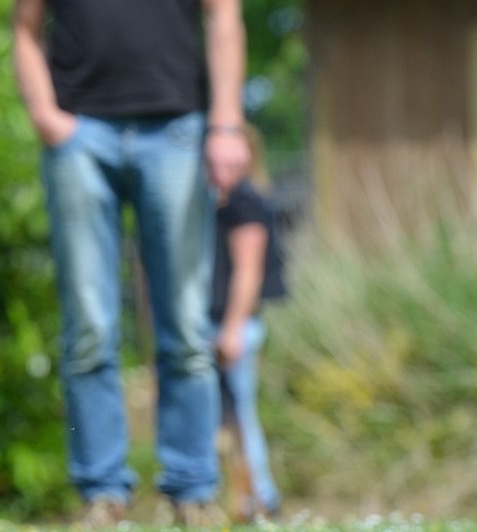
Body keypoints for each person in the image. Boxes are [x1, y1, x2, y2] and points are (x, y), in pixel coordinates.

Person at [12, 0, 252, 526]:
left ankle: (193, 491)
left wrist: (227, 123)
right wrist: (46, 116)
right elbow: (26, 29)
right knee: (89, 329)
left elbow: (223, 15)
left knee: (186, 326)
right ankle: (102, 493)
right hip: (80, 135)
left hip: (176, 130)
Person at [210, 125, 285, 522]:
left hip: (231, 326)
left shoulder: (244, 202)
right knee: (227, 420)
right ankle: (243, 500)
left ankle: (258, 499)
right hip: (222, 324)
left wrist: (231, 330)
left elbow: (248, 272)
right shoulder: (225, 200)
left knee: (239, 419)